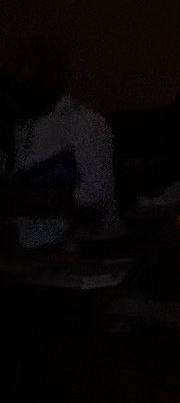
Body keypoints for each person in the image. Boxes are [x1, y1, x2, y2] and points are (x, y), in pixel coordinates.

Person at [6, 38, 118, 248]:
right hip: (27, 245)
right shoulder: (19, 125)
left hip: (80, 246)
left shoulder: (83, 123)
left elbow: (97, 193)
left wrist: (33, 199)